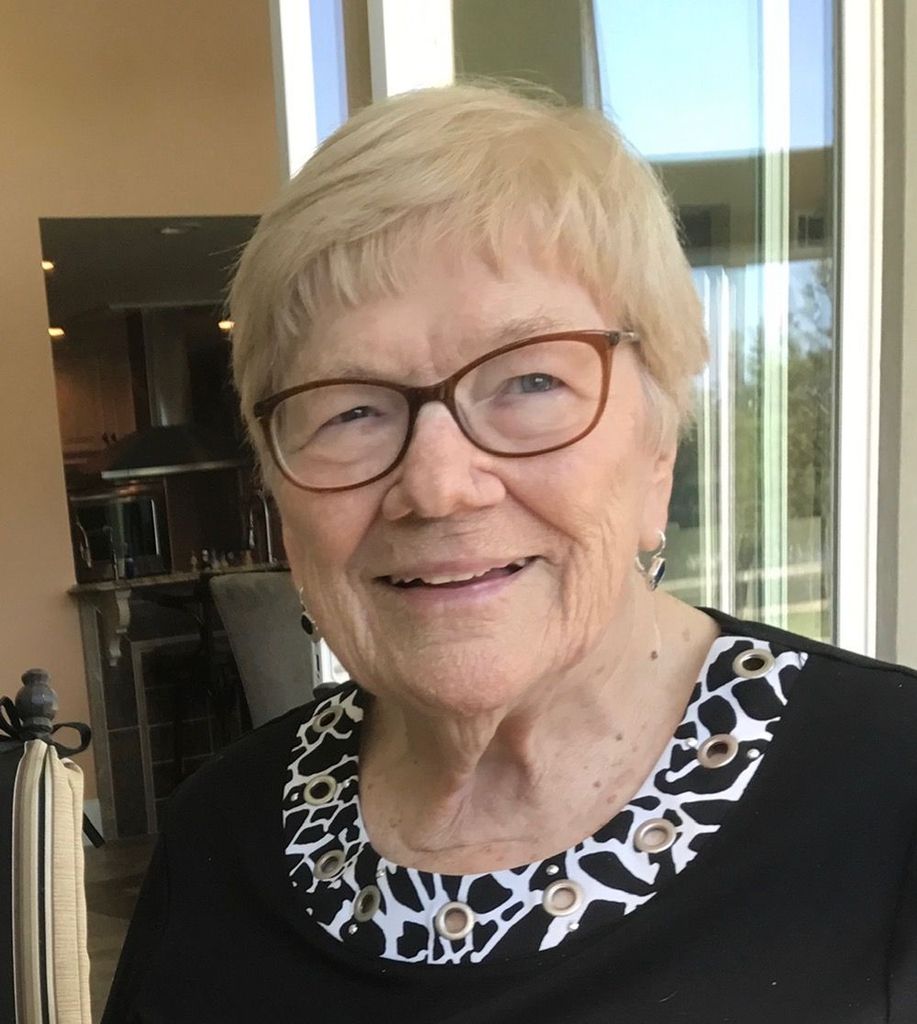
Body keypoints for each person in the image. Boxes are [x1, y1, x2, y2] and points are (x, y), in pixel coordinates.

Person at [102, 84, 917, 1023]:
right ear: (279, 497)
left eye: (529, 381)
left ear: (656, 450)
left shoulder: (889, 794)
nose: (438, 485)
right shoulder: (219, 833)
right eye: (351, 410)